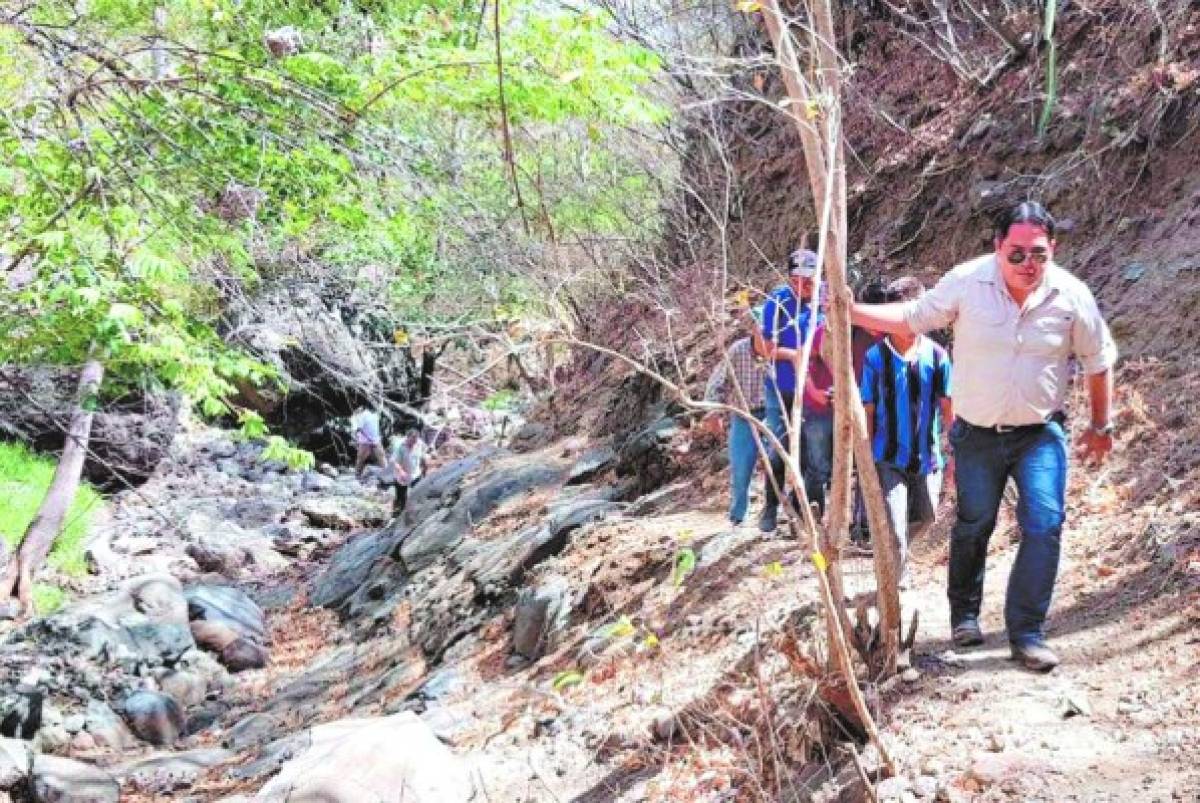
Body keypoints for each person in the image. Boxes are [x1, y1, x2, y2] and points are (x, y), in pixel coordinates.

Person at [851, 202, 1117, 672]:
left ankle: (1027, 631)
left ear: (1052, 249)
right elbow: (914, 316)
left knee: (1045, 524)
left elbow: (1099, 361)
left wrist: (1101, 426)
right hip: (976, 433)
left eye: (1038, 254)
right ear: (998, 248)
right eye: (1016, 254)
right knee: (975, 523)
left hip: (1040, 432)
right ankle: (965, 614)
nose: (1028, 265)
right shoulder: (967, 282)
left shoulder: (1072, 296)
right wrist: (849, 308)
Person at [860, 277, 953, 588]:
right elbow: (868, 409)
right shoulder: (875, 359)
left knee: (927, 517)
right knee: (894, 524)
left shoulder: (938, 356)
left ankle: (894, 552)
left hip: (928, 457)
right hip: (887, 457)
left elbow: (948, 406)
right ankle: (895, 580)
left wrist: (954, 454)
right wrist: (865, 460)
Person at [759, 247, 833, 533]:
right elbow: (765, 348)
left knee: (814, 454)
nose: (803, 285)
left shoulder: (826, 298)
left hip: (815, 391)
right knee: (778, 450)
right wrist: (793, 355)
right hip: (783, 387)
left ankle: (807, 515)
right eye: (797, 279)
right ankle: (770, 505)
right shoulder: (777, 302)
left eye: (809, 279)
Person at [702, 305, 768, 527]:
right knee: (741, 468)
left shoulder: (781, 350)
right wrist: (714, 412)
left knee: (777, 464)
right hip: (744, 415)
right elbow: (718, 382)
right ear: (754, 330)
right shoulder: (738, 351)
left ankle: (773, 515)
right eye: (761, 328)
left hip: (774, 413)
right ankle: (738, 517)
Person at [389, 428, 429, 516]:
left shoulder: (419, 443)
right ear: (407, 438)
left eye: (415, 442)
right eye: (411, 442)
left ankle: (416, 513)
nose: (413, 444)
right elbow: (393, 461)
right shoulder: (399, 446)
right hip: (401, 475)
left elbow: (423, 456)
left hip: (415, 474)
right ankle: (397, 514)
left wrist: (425, 468)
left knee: (418, 493)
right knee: (401, 497)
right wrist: (401, 471)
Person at [351, 406, 386, 479]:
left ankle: (387, 475)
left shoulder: (375, 413)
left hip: (375, 440)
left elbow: (380, 407)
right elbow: (358, 429)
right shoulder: (363, 415)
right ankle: (357, 475)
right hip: (365, 442)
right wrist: (368, 439)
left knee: (381, 456)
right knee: (361, 459)